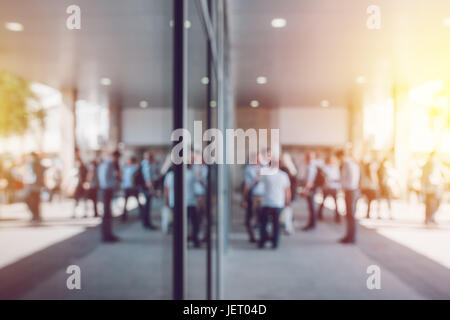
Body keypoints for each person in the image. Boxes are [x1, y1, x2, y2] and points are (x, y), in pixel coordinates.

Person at [258, 155, 291, 249]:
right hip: (278, 203)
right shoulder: (284, 175)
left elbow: (259, 185)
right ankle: (275, 242)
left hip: (266, 202)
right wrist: (287, 202)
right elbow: (287, 191)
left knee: (263, 223)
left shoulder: (265, 174)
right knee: (276, 224)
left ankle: (263, 241)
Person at [336, 149, 360, 244]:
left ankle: (351, 237)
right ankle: (349, 236)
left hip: (350, 191)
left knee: (351, 215)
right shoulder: (353, 164)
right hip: (351, 190)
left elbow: (350, 180)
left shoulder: (348, 164)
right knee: (350, 215)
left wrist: (342, 184)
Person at [97, 150, 121, 242]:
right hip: (107, 190)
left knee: (107, 214)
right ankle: (106, 236)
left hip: (105, 190)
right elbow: (106, 178)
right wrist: (114, 184)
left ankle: (108, 235)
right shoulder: (109, 164)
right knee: (107, 214)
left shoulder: (104, 164)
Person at [241, 153, 265, 242]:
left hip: (263, 196)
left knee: (262, 218)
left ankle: (262, 236)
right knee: (250, 217)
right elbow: (246, 185)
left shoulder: (264, 169)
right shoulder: (249, 169)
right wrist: (244, 199)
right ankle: (253, 236)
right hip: (253, 196)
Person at [421, 152, 445, 225]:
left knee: (435, 203)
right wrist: (423, 188)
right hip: (430, 188)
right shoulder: (427, 166)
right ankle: (428, 218)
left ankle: (430, 217)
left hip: (436, 187)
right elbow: (425, 177)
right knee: (430, 204)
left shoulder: (437, 166)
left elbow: (441, 175)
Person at [121, 156, 145, 224]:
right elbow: (124, 178)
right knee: (125, 202)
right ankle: (124, 216)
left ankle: (141, 215)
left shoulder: (136, 167)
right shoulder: (126, 168)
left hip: (133, 187)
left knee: (138, 201)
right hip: (127, 187)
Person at [317, 154, 341, 223]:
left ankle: (337, 217)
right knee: (323, 202)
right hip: (327, 187)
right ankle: (319, 215)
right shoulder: (325, 167)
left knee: (336, 203)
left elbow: (338, 178)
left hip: (334, 187)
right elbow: (325, 178)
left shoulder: (336, 168)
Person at [23, 152, 45, 222]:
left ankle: (36, 215)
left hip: (34, 185)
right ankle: (35, 215)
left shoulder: (36, 165)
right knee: (32, 200)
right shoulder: (31, 164)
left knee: (34, 200)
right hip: (32, 185)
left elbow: (38, 175)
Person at [301, 151, 319, 231]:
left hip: (310, 189)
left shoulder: (311, 166)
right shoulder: (312, 165)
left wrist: (306, 191)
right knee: (311, 207)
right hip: (311, 188)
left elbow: (309, 180)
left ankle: (312, 224)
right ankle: (312, 224)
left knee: (311, 207)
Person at [141, 151, 157, 229]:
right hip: (147, 188)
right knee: (147, 207)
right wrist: (152, 190)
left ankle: (146, 222)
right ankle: (146, 223)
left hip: (146, 188)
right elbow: (148, 180)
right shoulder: (147, 165)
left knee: (147, 206)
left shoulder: (146, 164)